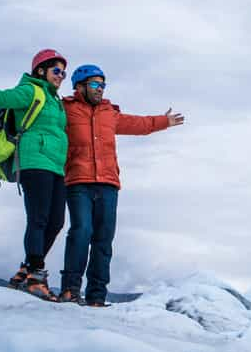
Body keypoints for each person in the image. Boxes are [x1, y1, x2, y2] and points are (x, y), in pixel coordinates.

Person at [59, 64, 184, 307]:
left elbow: (139, 124)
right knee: (81, 232)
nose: (100, 89)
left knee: (103, 240)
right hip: (78, 182)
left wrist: (164, 121)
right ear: (80, 86)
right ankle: (70, 290)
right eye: (95, 84)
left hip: (108, 184)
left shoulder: (110, 113)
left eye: (103, 85)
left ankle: (96, 296)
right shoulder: (65, 110)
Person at [0, 49, 69, 302]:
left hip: (57, 166)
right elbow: (6, 98)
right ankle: (36, 277)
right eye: (57, 71)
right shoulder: (31, 90)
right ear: (41, 70)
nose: (61, 76)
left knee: (56, 221)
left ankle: (26, 270)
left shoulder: (55, 100)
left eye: (63, 72)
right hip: (34, 160)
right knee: (39, 219)